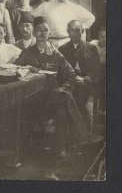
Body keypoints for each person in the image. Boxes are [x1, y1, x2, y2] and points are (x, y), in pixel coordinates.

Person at [14, 17, 102, 157]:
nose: (42, 33)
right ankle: (74, 140)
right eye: (39, 30)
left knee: (62, 97)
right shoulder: (27, 53)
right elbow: (14, 68)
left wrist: (64, 88)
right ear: (34, 33)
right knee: (63, 102)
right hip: (32, 99)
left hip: (51, 96)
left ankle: (63, 146)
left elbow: (71, 74)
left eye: (46, 30)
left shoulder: (56, 54)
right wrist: (26, 67)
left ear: (49, 34)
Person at [58, 20, 102, 131]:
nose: (75, 33)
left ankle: (79, 132)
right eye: (72, 30)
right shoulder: (62, 49)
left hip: (86, 85)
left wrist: (89, 76)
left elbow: (97, 68)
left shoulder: (91, 48)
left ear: (82, 31)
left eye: (77, 30)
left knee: (80, 92)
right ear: (68, 32)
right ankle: (78, 133)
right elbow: (60, 70)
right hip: (70, 85)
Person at [30, 0, 95, 48]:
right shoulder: (46, 6)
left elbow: (91, 18)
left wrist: (78, 28)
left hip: (68, 42)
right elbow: (31, 15)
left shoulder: (76, 8)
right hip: (50, 42)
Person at [90, 25, 106, 113]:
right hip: (94, 69)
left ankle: (102, 107)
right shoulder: (93, 44)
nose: (104, 39)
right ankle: (96, 108)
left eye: (106, 36)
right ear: (99, 37)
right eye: (102, 37)